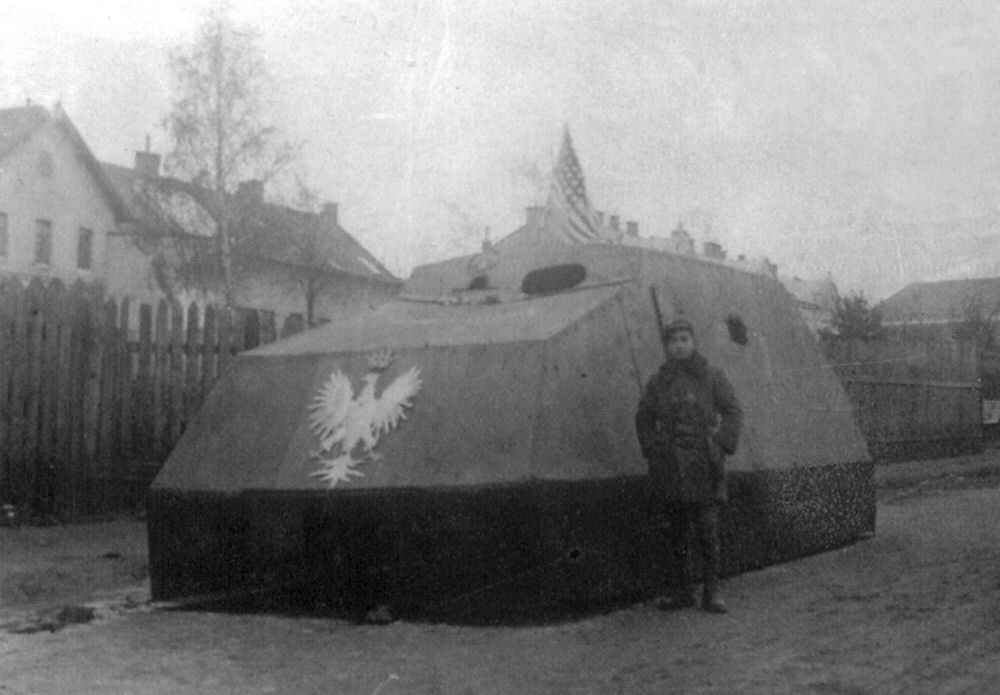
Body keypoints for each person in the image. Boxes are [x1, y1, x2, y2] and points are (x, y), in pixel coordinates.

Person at [635, 318, 742, 614]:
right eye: (673, 341)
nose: (679, 345)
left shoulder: (711, 376)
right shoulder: (659, 381)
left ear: (693, 342)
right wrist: (653, 449)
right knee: (676, 532)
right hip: (670, 466)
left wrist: (720, 443)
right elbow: (643, 417)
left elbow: (733, 411)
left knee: (708, 531)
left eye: (684, 339)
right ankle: (683, 592)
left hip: (703, 463)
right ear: (667, 347)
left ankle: (712, 592)